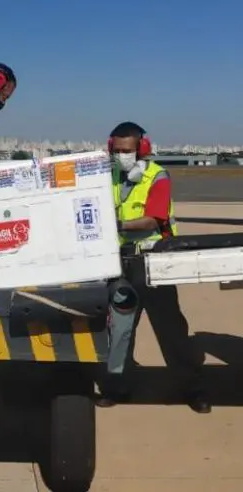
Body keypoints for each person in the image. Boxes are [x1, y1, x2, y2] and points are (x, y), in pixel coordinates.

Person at [98, 121, 210, 413]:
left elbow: (153, 220)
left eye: (127, 150)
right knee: (119, 330)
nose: (122, 156)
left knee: (170, 328)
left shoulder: (157, 177)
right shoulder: (107, 176)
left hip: (153, 262)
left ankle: (192, 388)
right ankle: (116, 388)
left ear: (142, 149)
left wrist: (115, 225)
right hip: (120, 262)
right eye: (117, 150)